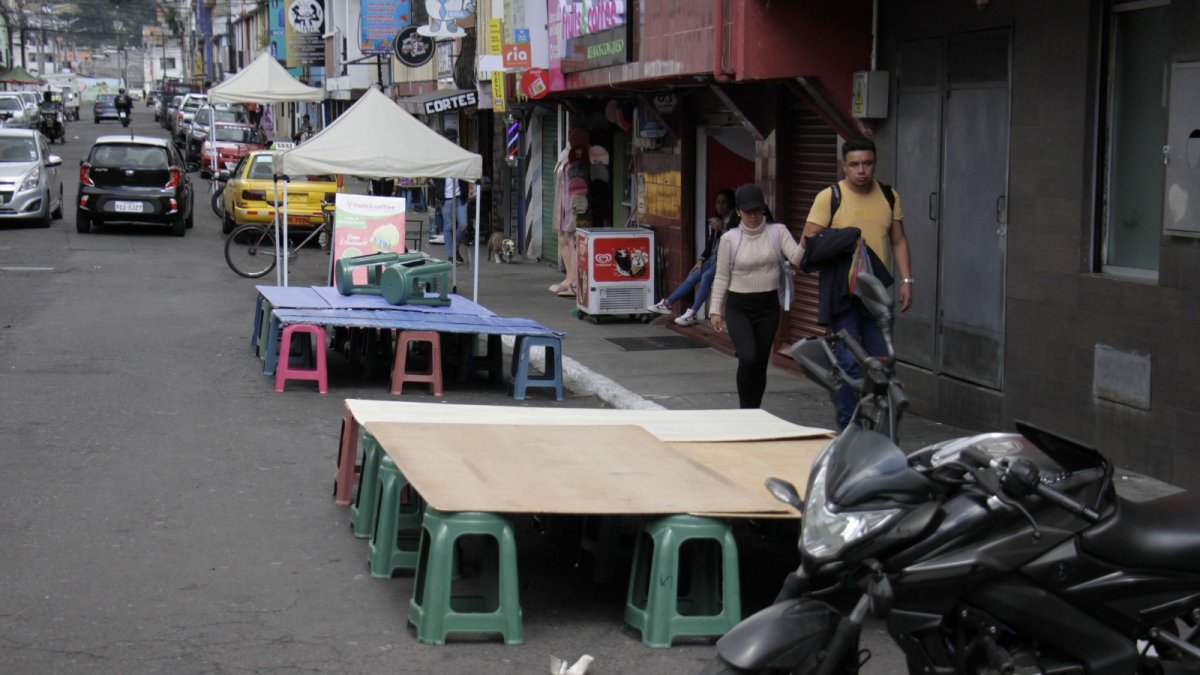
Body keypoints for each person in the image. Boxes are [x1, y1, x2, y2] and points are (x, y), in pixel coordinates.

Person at [801, 137, 913, 429]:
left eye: (867, 163)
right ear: (844, 166)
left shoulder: (889, 195)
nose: (861, 170)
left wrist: (906, 280)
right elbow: (808, 241)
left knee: (882, 362)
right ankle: (850, 427)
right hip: (842, 294)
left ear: (874, 163)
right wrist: (846, 239)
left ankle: (878, 427)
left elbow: (898, 240)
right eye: (854, 165)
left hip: (875, 293)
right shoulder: (830, 196)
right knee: (849, 364)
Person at [710, 184, 804, 409]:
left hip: (768, 306)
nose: (753, 216)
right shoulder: (730, 239)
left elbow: (798, 259)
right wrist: (715, 310)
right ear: (739, 211)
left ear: (763, 209)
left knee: (760, 362)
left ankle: (755, 410)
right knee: (748, 356)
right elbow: (722, 277)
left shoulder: (777, 232)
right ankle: (745, 409)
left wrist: (808, 237)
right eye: (747, 211)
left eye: (757, 210)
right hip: (738, 306)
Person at [647, 188, 738, 326]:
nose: (720, 205)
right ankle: (667, 303)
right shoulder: (716, 220)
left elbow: (735, 239)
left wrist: (721, 228)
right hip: (713, 259)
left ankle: (692, 312)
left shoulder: (735, 221)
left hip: (726, 260)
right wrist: (701, 260)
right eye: (718, 202)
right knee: (694, 274)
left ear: (731, 204)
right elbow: (709, 246)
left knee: (707, 277)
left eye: (724, 203)